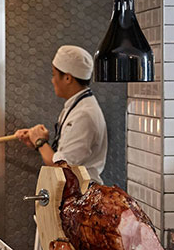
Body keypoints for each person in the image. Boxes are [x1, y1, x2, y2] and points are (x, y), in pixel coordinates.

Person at [14, 44, 108, 184]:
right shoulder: (77, 106)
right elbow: (63, 156)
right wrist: (37, 142)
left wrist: (40, 142)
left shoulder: (84, 115)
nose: (52, 80)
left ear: (68, 78)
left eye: (54, 74)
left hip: (83, 195)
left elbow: (61, 167)